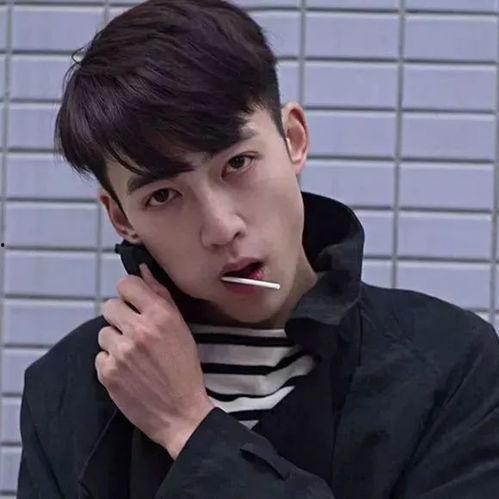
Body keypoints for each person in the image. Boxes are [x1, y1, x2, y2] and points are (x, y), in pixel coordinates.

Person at [17, 0, 499, 497]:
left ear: (293, 139)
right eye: (163, 196)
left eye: (238, 163)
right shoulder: (66, 391)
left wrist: (188, 426)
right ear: (121, 217)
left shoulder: (450, 365)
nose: (220, 228)